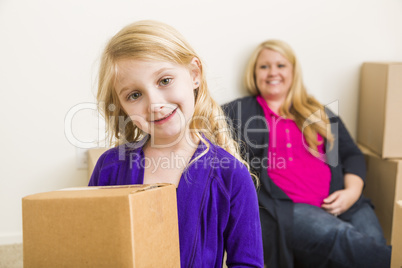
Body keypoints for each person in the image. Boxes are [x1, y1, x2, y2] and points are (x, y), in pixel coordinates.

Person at [88, 20, 264, 268]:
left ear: (194, 74)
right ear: (122, 106)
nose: (155, 104)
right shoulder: (109, 168)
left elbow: (247, 263)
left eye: (164, 81)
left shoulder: (232, 175)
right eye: (135, 95)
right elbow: (90, 249)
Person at [223, 39, 391, 268]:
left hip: (346, 201)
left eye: (281, 65)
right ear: (254, 73)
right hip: (287, 211)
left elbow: (352, 154)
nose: (273, 72)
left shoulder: (318, 110)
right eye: (264, 66)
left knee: (373, 243)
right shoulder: (239, 112)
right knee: (350, 242)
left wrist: (352, 192)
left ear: (293, 71)